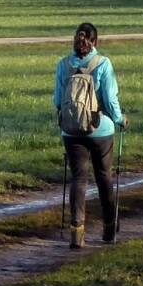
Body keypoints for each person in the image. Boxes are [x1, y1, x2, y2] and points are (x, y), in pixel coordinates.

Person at [54, 22, 127, 249]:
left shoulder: (64, 65)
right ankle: (108, 230)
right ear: (95, 42)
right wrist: (120, 119)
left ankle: (77, 232)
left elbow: (58, 101)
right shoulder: (103, 63)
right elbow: (110, 99)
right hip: (101, 129)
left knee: (78, 179)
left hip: (71, 130)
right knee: (104, 177)